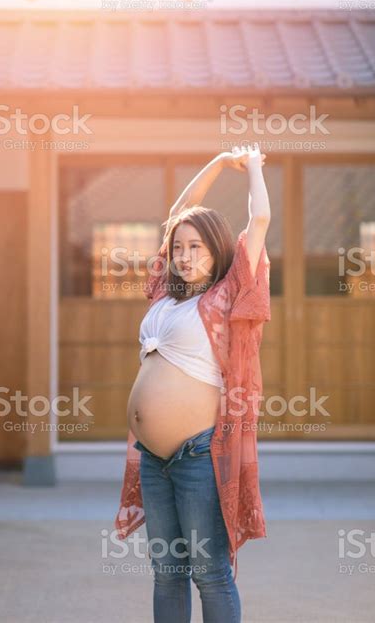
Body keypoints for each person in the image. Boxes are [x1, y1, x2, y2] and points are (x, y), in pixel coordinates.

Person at [115, 144, 271, 623]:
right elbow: (175, 214)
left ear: (216, 250)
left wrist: (250, 167)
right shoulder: (164, 295)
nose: (183, 256)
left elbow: (260, 218)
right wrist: (215, 162)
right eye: (178, 248)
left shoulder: (226, 295)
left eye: (195, 247)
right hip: (153, 458)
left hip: (198, 456)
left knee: (210, 572)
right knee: (167, 571)